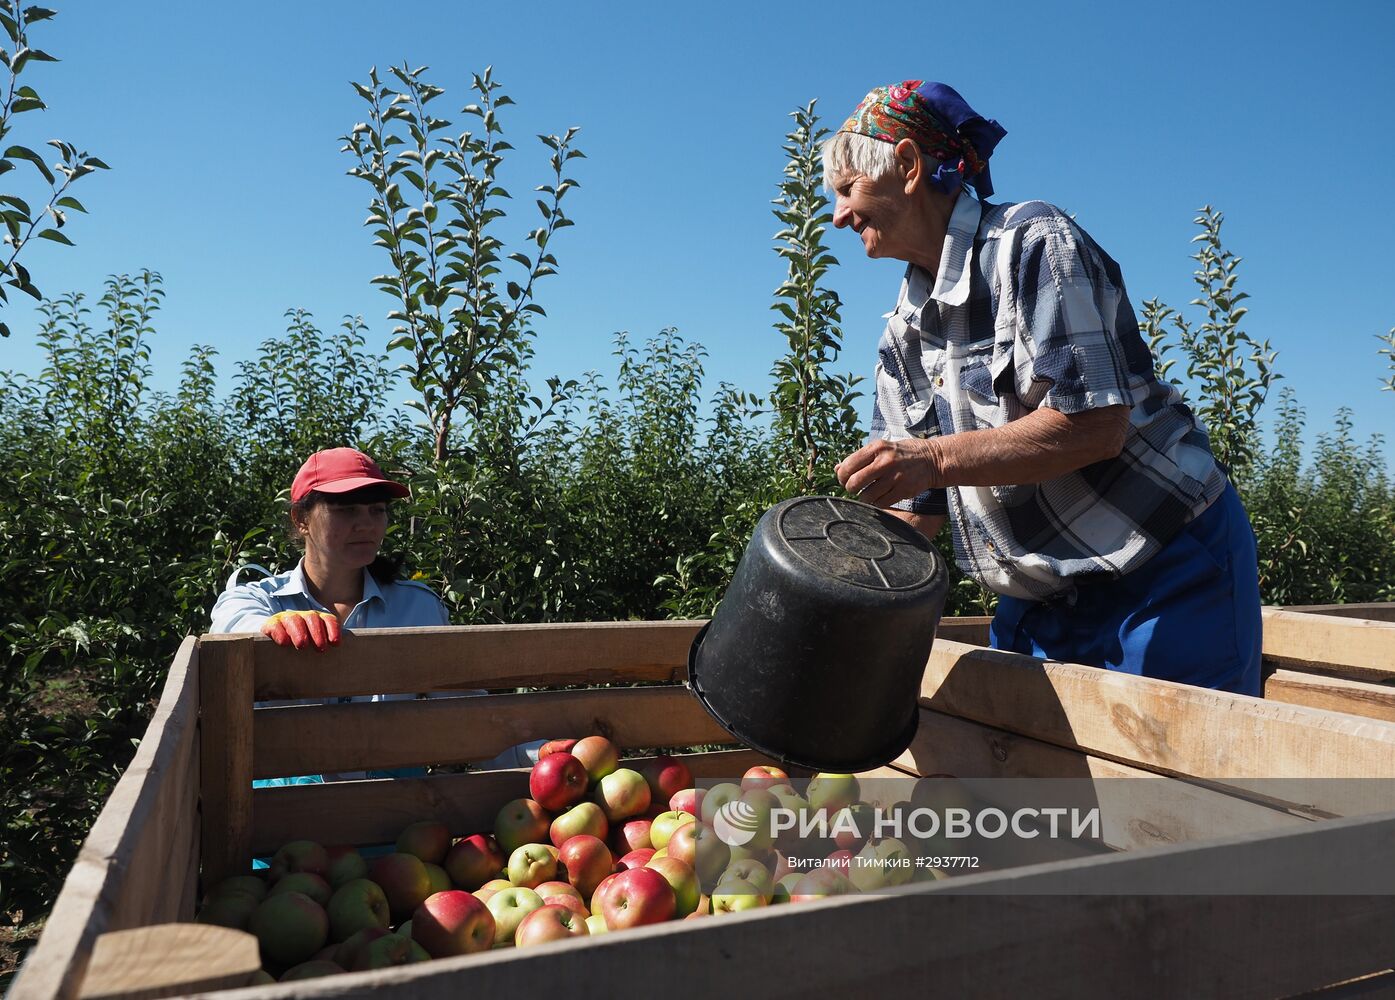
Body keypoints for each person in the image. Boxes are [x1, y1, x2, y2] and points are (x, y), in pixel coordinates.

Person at [827, 81, 1261, 695]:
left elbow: (1093, 426)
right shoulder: (904, 332)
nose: (838, 216)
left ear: (907, 165)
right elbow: (914, 508)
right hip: (1043, 595)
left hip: (1163, 566)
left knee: (1181, 757)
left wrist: (932, 459)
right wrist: (844, 589)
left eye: (847, 190)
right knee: (1022, 755)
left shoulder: (1032, 244)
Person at [210, 447, 541, 782]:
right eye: (347, 510)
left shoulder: (417, 607)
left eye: (376, 510)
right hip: (285, 805)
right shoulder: (262, 600)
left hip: (390, 805)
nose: (366, 524)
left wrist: (538, 758)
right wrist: (270, 627)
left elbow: (465, 713)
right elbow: (231, 620)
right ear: (301, 519)